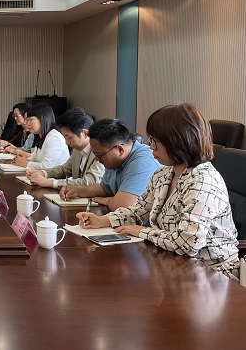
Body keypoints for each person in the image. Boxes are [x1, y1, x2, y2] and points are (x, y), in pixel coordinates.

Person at [77, 104, 239, 277]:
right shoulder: (164, 173)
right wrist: (102, 221)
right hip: (174, 265)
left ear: (177, 141)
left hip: (212, 275)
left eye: (156, 141)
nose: (151, 147)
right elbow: (138, 210)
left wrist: (142, 231)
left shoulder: (203, 180)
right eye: (150, 140)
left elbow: (188, 243)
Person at [61, 118, 160, 210]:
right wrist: (77, 191)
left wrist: (107, 200)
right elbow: (105, 189)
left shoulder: (143, 161)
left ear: (119, 150)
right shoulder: (114, 161)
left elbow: (124, 206)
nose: (97, 159)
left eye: (99, 155)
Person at [26, 107, 105, 188]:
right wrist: (43, 173)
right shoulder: (77, 149)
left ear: (84, 133)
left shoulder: (100, 151)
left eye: (69, 137)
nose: (67, 142)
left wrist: (50, 183)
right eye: (65, 137)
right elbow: (65, 169)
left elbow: (89, 182)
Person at [9, 103, 70, 170]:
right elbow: (34, 158)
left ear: (42, 119)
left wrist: (25, 163)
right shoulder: (40, 136)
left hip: (54, 176)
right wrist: (20, 159)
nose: (27, 123)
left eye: (30, 120)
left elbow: (47, 166)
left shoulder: (54, 137)